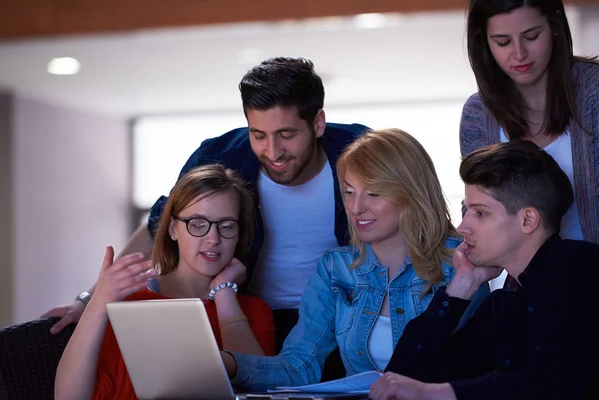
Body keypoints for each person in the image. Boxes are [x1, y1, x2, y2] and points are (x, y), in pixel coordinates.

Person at [43, 58, 368, 351]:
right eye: (258, 135)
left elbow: (410, 225)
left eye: (286, 134)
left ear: (318, 123)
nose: (273, 151)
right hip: (252, 316)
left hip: (345, 319)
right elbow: (159, 227)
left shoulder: (363, 153)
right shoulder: (219, 155)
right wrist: (87, 301)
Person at [219, 129, 490, 390]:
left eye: (373, 193)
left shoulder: (460, 261)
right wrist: (228, 364)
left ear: (410, 193)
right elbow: (299, 365)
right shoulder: (335, 269)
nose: (356, 207)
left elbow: (475, 368)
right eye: (349, 192)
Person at [371, 140, 599, 400]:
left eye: (480, 213)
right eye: (467, 211)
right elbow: (403, 378)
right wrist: (461, 286)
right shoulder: (502, 306)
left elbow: (571, 381)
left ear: (528, 220)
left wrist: (442, 392)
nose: (461, 227)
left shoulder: (582, 267)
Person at [54, 165, 275, 400]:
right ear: (173, 229)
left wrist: (224, 293)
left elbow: (255, 392)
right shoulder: (126, 301)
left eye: (227, 226)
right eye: (198, 224)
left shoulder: (254, 312)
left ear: (239, 233)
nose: (213, 239)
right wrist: (98, 302)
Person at [459, 0, 599, 244]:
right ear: (484, 41)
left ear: (554, 24)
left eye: (532, 36)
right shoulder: (477, 115)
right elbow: (478, 208)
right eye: (502, 42)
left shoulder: (593, 93)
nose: (519, 54)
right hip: (525, 281)